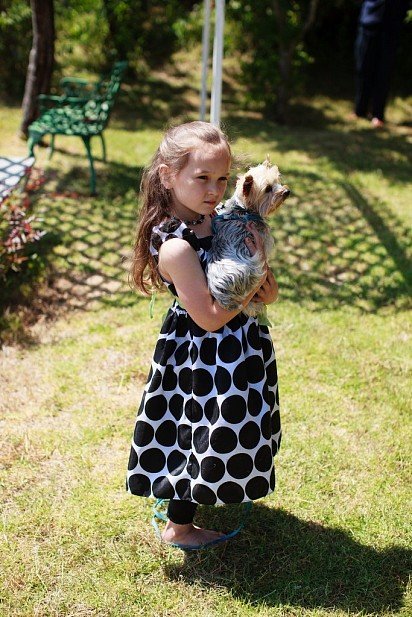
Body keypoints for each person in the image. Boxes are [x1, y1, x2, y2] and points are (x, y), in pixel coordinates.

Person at [126, 121, 281, 549]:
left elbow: (256, 279)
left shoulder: (215, 220)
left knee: (226, 422)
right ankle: (179, 526)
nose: (214, 190)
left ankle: (211, 491)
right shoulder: (175, 245)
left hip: (238, 346)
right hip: (201, 354)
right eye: (202, 178)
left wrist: (266, 286)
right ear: (168, 176)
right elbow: (210, 317)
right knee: (195, 426)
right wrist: (249, 287)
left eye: (222, 179)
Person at [353, 0, 408, 128]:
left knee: (383, 71)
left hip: (391, 24)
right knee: (363, 67)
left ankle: (378, 114)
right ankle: (360, 110)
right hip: (368, 21)